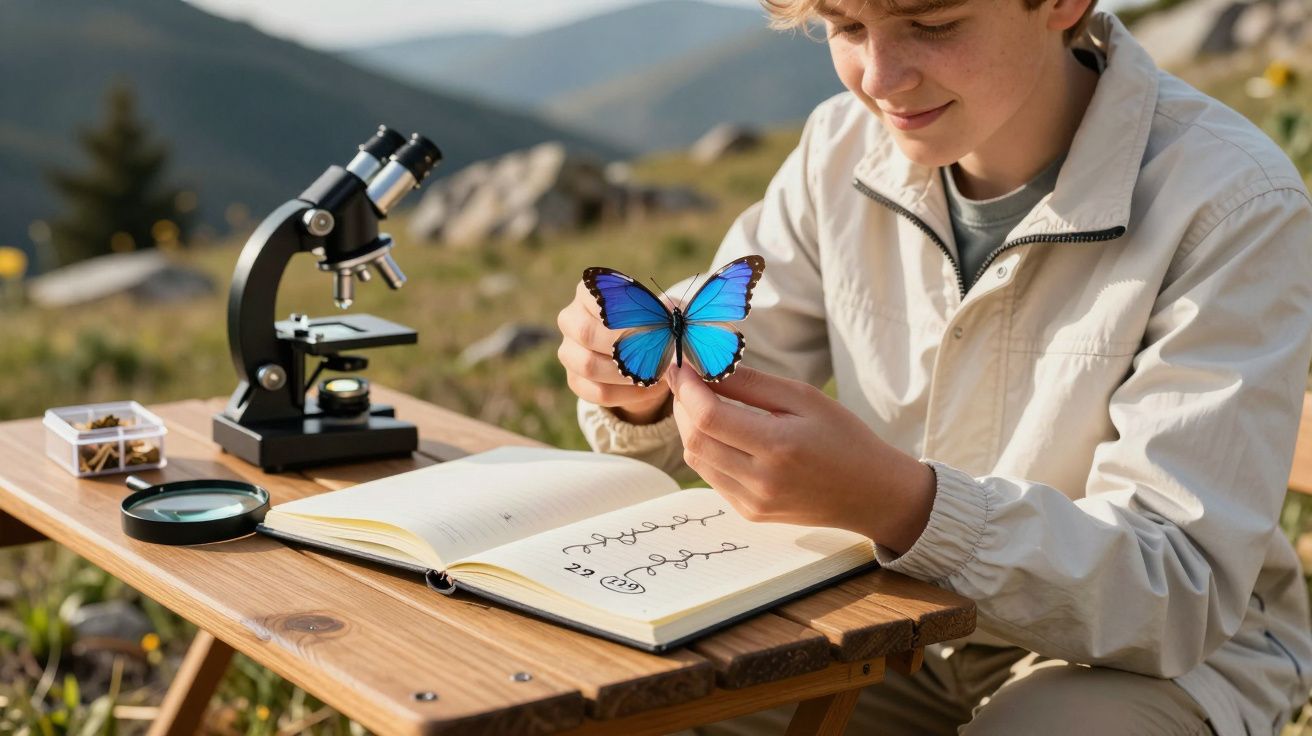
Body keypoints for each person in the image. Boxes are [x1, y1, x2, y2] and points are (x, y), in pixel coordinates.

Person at [554, 0, 1312, 732]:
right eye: (846, 26)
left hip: (1154, 663)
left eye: (933, 23)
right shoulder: (840, 149)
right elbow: (733, 341)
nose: (880, 78)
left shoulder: (1230, 201)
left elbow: (1176, 588)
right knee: (614, 700)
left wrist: (903, 504)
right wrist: (640, 388)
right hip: (900, 616)